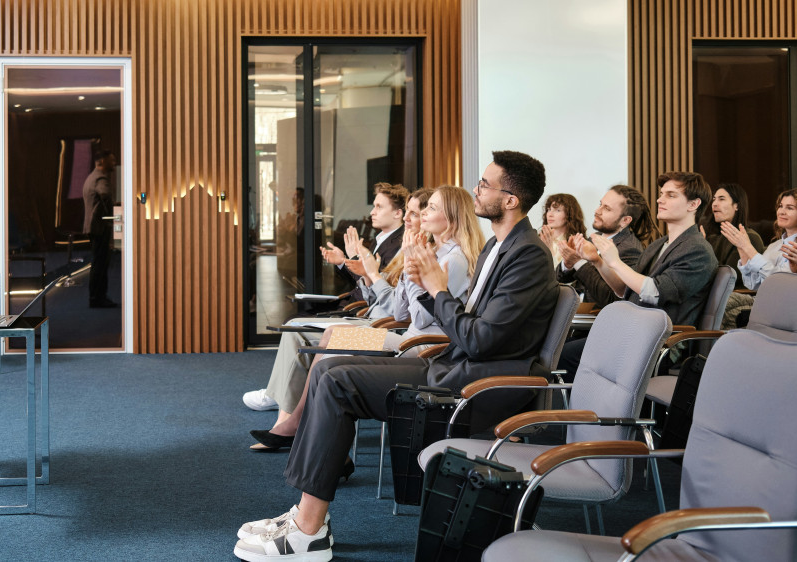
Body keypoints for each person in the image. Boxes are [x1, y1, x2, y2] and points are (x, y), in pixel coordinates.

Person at [232, 151, 557, 561]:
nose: (477, 189)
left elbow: (480, 339)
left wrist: (436, 289)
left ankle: (308, 530)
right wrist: (424, 286)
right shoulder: (498, 245)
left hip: (475, 383)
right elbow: (447, 320)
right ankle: (305, 515)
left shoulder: (528, 254)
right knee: (330, 366)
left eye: (485, 185)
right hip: (451, 363)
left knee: (336, 378)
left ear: (510, 200)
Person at [247, 186, 483, 451]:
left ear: (451, 216)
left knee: (333, 349)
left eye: (432, 208)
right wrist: (408, 270)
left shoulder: (454, 259)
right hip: (407, 338)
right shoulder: (434, 251)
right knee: (331, 335)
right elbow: (402, 312)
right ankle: (302, 424)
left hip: (422, 345)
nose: (423, 213)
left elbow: (420, 317)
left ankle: (300, 426)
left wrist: (412, 275)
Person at [242, 183, 410, 412]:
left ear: (398, 213)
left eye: (379, 207)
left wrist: (357, 265)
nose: (372, 212)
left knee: (301, 329)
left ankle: (288, 404)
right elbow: (371, 286)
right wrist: (346, 262)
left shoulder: (405, 249)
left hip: (380, 324)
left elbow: (393, 306)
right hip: (370, 315)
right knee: (296, 325)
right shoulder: (383, 241)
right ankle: (284, 398)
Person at [558, 171, 718, 378]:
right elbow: (624, 289)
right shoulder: (659, 244)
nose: (660, 200)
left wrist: (614, 261)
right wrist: (598, 261)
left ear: (693, 204)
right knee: (559, 351)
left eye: (671, 195)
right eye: (661, 194)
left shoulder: (698, 250)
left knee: (561, 357)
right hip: (633, 334)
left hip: (656, 344)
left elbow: (654, 292)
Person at [555, 185, 651, 308]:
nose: (597, 211)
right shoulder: (595, 237)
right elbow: (561, 279)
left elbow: (611, 299)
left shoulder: (630, 249)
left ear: (625, 220)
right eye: (600, 204)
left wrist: (578, 262)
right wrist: (568, 263)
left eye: (607, 209)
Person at [699, 183, 766, 328]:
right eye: (714, 199)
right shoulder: (713, 238)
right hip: (715, 295)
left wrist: (703, 253)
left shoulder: (749, 238)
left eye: (721, 199)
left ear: (737, 205)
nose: (714, 204)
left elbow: (728, 276)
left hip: (737, 298)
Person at [722, 188, 797, 290]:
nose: (781, 212)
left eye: (789, 208)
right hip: (762, 297)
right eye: (780, 206)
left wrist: (747, 247)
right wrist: (741, 248)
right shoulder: (774, 246)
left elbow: (779, 283)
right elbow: (753, 284)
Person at [82, 149, 118, 308]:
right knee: (101, 263)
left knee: (98, 262)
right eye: (111, 160)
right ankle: (97, 297)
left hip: (94, 226)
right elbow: (105, 196)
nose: (114, 163)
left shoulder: (91, 177)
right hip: (100, 226)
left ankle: (97, 297)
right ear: (102, 161)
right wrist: (114, 213)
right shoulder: (101, 179)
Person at [538, 193, 586, 266]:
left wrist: (549, 249)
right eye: (549, 209)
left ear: (569, 214)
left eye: (557, 210)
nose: (550, 214)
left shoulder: (575, 244)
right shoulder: (538, 237)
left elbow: (561, 272)